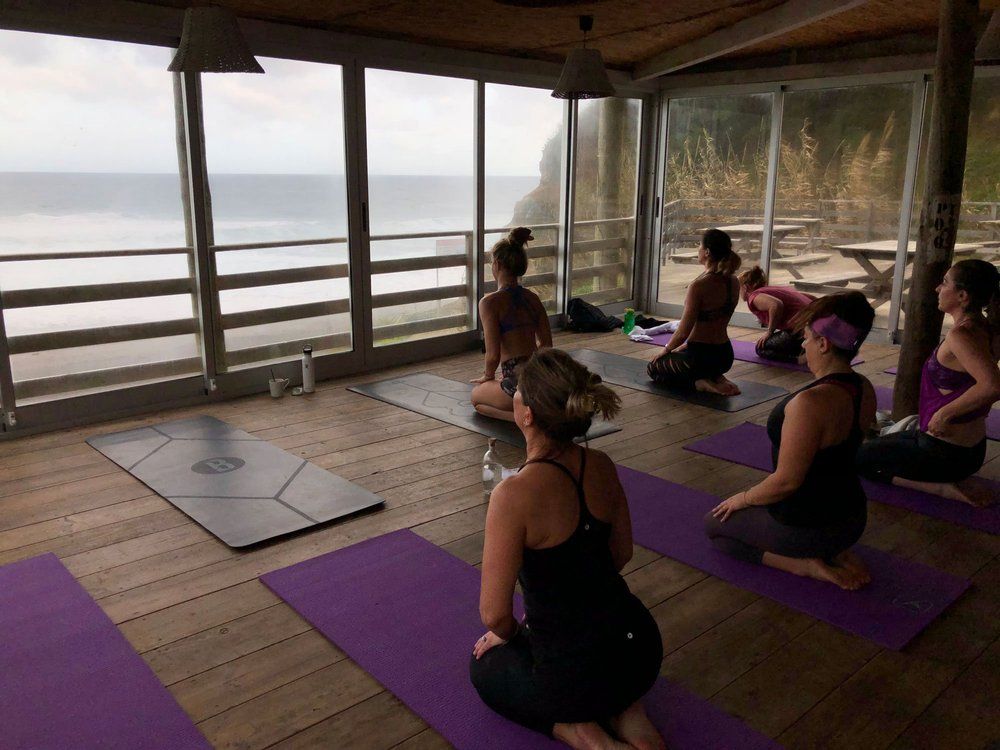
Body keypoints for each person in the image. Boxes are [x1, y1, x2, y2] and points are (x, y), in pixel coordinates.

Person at [470, 349, 664, 750]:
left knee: (485, 665)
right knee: (609, 675)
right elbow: (621, 553)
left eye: (518, 392)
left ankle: (584, 733)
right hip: (638, 650)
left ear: (526, 416)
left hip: (570, 670)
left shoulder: (513, 494)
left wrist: (515, 636)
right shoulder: (603, 465)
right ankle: (627, 712)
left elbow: (494, 614)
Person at [705, 292, 877, 590]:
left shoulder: (810, 403)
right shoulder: (864, 388)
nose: (802, 344)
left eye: (807, 338)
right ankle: (834, 551)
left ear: (824, 344)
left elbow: (787, 482)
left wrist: (741, 498)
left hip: (807, 526)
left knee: (715, 527)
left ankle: (805, 564)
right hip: (853, 518)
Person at [856, 259, 1000, 507]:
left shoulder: (962, 336)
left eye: (944, 283)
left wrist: (944, 414)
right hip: (965, 450)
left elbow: (992, 386)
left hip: (945, 454)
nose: (937, 288)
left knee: (859, 461)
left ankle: (942, 488)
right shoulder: (987, 329)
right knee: (875, 443)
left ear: (962, 296)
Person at [472, 227, 553, 421]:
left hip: (515, 386)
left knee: (476, 398)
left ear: (497, 264)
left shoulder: (489, 303)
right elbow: (547, 346)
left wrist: (488, 377)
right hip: (538, 380)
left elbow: (493, 356)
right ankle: (532, 411)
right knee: (489, 394)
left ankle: (525, 418)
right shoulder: (533, 298)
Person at [648, 228, 741, 396]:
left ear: (706, 252)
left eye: (699, 245)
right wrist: (683, 347)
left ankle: (700, 383)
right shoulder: (733, 281)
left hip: (699, 358)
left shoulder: (699, 285)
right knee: (682, 355)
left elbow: (684, 330)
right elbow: (711, 323)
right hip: (724, 356)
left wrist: (666, 350)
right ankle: (716, 377)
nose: (697, 249)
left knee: (654, 368)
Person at [738, 265, 815, 363]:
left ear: (745, 287)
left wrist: (769, 332)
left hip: (801, 331)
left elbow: (776, 305)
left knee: (761, 348)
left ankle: (799, 359)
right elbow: (810, 297)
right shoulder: (773, 289)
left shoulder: (753, 296)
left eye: (739, 288)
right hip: (814, 328)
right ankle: (806, 349)